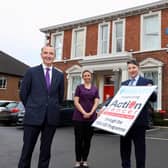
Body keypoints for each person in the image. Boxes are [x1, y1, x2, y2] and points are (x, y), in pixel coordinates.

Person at [18, 45, 64, 168]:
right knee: (27, 150)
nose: (48, 56)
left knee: (46, 151)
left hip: (51, 118)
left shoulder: (59, 75)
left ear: (54, 56)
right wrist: (32, 107)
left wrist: (52, 108)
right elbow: (23, 93)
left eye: (51, 53)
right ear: (41, 55)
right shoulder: (31, 72)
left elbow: (60, 97)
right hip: (33, 117)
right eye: (46, 53)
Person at [120, 59, 157, 168]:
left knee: (140, 150)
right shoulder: (124, 84)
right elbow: (118, 101)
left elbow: (154, 99)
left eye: (133, 68)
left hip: (139, 123)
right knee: (124, 149)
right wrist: (106, 108)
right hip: (124, 123)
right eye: (129, 68)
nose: (131, 70)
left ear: (138, 68)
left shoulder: (146, 82)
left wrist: (151, 90)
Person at [73, 70, 99, 168]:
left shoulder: (95, 89)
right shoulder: (79, 88)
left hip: (91, 118)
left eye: (88, 75)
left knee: (87, 141)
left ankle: (85, 160)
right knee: (78, 140)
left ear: (91, 77)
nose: (87, 77)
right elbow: (76, 102)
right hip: (78, 118)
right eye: (85, 75)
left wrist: (91, 113)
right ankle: (77, 160)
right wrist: (84, 113)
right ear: (83, 77)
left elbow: (96, 102)